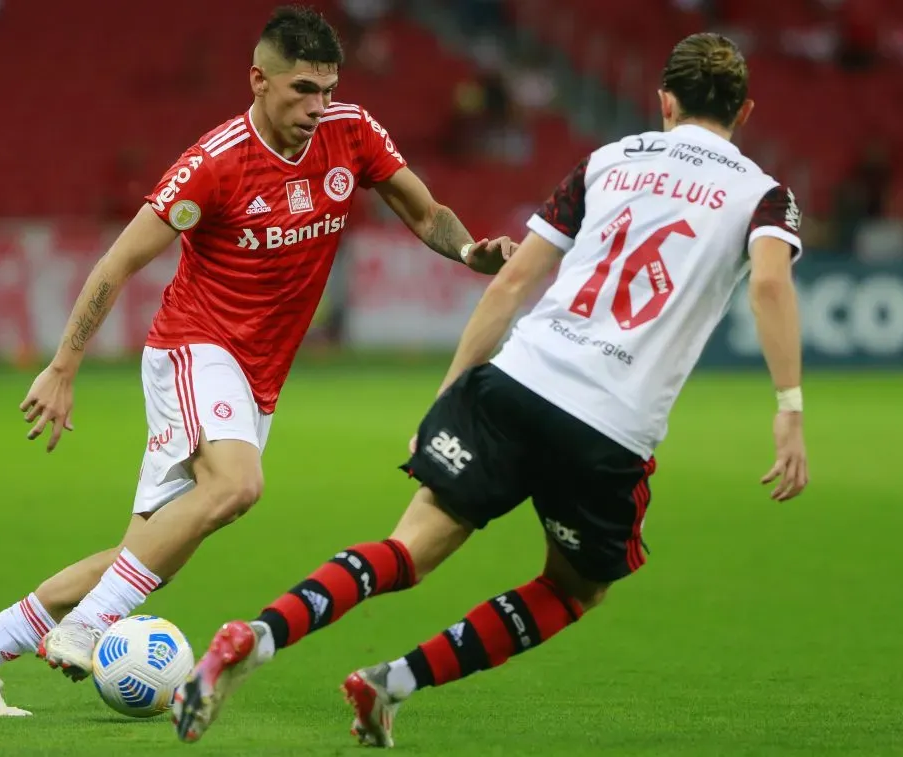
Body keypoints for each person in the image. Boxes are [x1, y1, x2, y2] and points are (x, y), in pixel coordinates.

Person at [170, 31, 811, 746]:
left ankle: (256, 632)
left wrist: (449, 395)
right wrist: (788, 408)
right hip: (606, 426)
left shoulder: (607, 161)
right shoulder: (764, 195)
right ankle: (395, 679)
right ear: (746, 111)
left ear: (664, 101)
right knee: (574, 589)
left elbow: (511, 283)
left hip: (515, 381)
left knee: (405, 549)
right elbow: (770, 283)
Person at [0, 4, 516, 716]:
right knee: (238, 484)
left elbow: (425, 212)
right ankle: (85, 626)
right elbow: (119, 261)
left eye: (327, 87)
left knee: (141, 559)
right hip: (194, 348)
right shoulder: (215, 163)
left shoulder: (350, 133)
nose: (318, 105)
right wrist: (63, 364)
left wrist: (468, 249)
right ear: (258, 80)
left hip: (257, 377)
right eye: (302, 89)